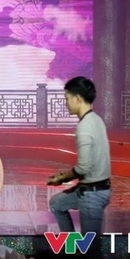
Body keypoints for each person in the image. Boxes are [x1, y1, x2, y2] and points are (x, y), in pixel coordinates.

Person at [47, 76, 112, 235]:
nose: (66, 103)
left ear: (77, 99)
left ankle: (81, 249)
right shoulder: (96, 119)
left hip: (92, 193)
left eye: (67, 99)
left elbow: (83, 168)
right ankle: (71, 244)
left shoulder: (84, 127)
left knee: (91, 247)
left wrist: (61, 178)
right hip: (92, 187)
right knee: (56, 203)